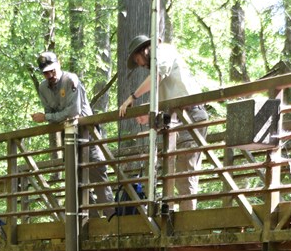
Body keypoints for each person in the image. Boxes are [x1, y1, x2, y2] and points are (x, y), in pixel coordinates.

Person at [119, 35, 209, 212]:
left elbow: (158, 76)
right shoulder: (158, 66)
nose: (141, 65)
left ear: (145, 50)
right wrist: (150, 115)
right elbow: (168, 96)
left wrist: (133, 96)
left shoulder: (162, 51)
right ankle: (180, 220)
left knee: (186, 174)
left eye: (138, 60)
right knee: (175, 174)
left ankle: (188, 224)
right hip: (178, 119)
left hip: (190, 115)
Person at [32, 52, 111, 208]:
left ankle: (110, 217)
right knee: (74, 178)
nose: (50, 75)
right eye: (45, 72)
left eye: (52, 70)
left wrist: (47, 117)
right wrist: (54, 116)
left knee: (97, 170)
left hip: (87, 132)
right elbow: (52, 111)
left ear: (58, 64)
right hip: (67, 134)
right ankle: (88, 219)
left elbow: (73, 112)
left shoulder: (70, 80)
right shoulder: (43, 88)